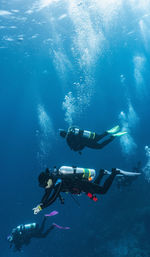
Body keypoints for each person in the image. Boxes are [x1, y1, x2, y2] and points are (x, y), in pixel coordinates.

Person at [33, 166, 140, 214]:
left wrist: (42, 207)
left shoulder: (58, 181)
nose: (46, 187)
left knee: (103, 191)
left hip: (82, 185)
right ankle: (102, 173)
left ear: (48, 179)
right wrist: (40, 204)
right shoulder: (51, 182)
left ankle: (115, 172)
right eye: (44, 186)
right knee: (95, 188)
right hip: (81, 187)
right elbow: (46, 195)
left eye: (45, 185)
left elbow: (53, 197)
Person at [59, 125, 127, 154]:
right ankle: (108, 132)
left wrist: (81, 146)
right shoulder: (72, 130)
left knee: (100, 146)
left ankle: (112, 137)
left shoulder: (68, 141)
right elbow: (79, 129)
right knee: (99, 137)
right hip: (89, 136)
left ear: (63, 137)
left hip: (87, 143)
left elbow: (75, 149)